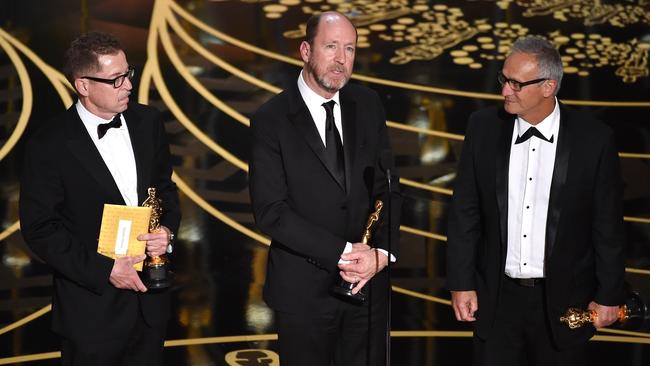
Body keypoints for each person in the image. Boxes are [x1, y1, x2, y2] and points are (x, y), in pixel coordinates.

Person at [446, 35, 625, 366]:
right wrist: (461, 283)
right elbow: (464, 212)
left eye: (516, 83)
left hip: (565, 302)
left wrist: (609, 295)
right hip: (496, 300)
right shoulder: (482, 127)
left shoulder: (594, 140)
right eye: (504, 79)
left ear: (548, 86)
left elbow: (608, 225)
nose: (504, 91)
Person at [249, 11, 401, 366]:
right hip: (304, 295)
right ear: (305, 50)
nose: (341, 59)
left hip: (368, 289)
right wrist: (346, 253)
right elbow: (272, 212)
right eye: (331, 46)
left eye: (349, 49)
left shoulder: (368, 104)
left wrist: (381, 254)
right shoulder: (270, 119)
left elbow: (389, 187)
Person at [19, 32, 180, 366]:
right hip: (91, 313)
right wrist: (105, 269)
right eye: (116, 79)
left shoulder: (148, 122)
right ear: (83, 85)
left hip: (151, 304)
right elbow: (40, 228)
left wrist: (166, 231)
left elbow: (165, 190)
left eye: (128, 74)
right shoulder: (49, 144)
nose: (128, 86)